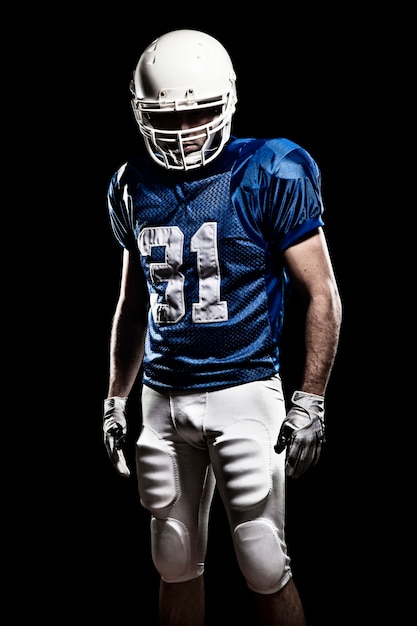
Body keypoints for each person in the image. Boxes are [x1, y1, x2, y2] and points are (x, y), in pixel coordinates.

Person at [103, 28, 342, 626]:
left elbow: (323, 293)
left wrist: (311, 397)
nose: (183, 133)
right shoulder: (132, 185)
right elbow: (134, 302)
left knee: (262, 558)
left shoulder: (271, 168)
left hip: (244, 388)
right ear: (139, 112)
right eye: (168, 116)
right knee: (173, 556)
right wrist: (115, 397)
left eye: (200, 111)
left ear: (230, 101)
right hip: (161, 394)